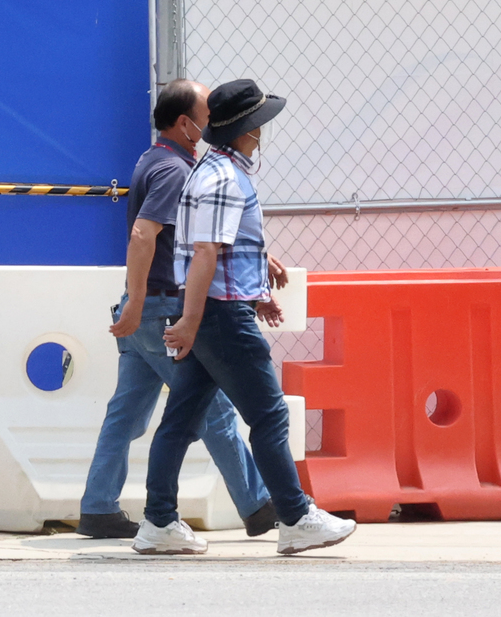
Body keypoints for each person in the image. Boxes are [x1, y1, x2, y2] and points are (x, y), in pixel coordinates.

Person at [134, 78, 357, 559]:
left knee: (180, 420)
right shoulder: (224, 179)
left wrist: (253, 296)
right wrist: (192, 320)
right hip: (220, 318)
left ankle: (158, 523)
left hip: (215, 312)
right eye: (259, 125)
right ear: (246, 130)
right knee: (269, 416)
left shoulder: (213, 170)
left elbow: (224, 254)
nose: (262, 134)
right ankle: (295, 518)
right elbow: (206, 254)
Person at [78, 79, 273, 539]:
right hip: (162, 307)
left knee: (126, 414)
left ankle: (99, 507)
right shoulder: (174, 171)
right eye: (207, 115)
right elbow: (143, 235)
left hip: (146, 310)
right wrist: (137, 301)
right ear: (186, 124)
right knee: (213, 411)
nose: (214, 123)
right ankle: (260, 506)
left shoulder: (155, 160)